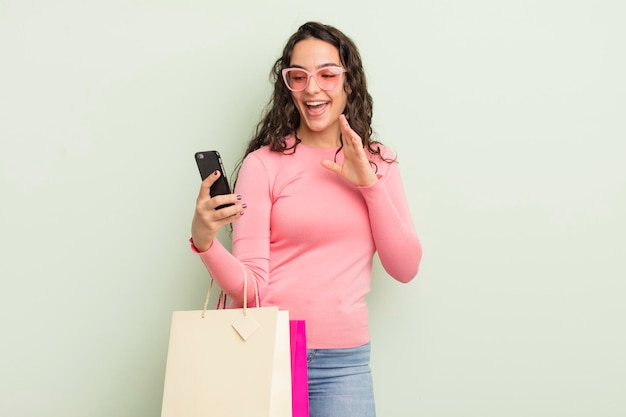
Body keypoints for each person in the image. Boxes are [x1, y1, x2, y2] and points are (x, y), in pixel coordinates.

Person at [190, 21, 422, 417]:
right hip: (265, 353)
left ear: (349, 83)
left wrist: (368, 184)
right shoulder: (263, 165)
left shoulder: (379, 162)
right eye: (299, 77)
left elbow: (404, 268)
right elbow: (252, 291)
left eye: (328, 75)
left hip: (344, 365)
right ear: (288, 87)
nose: (312, 88)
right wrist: (205, 242)